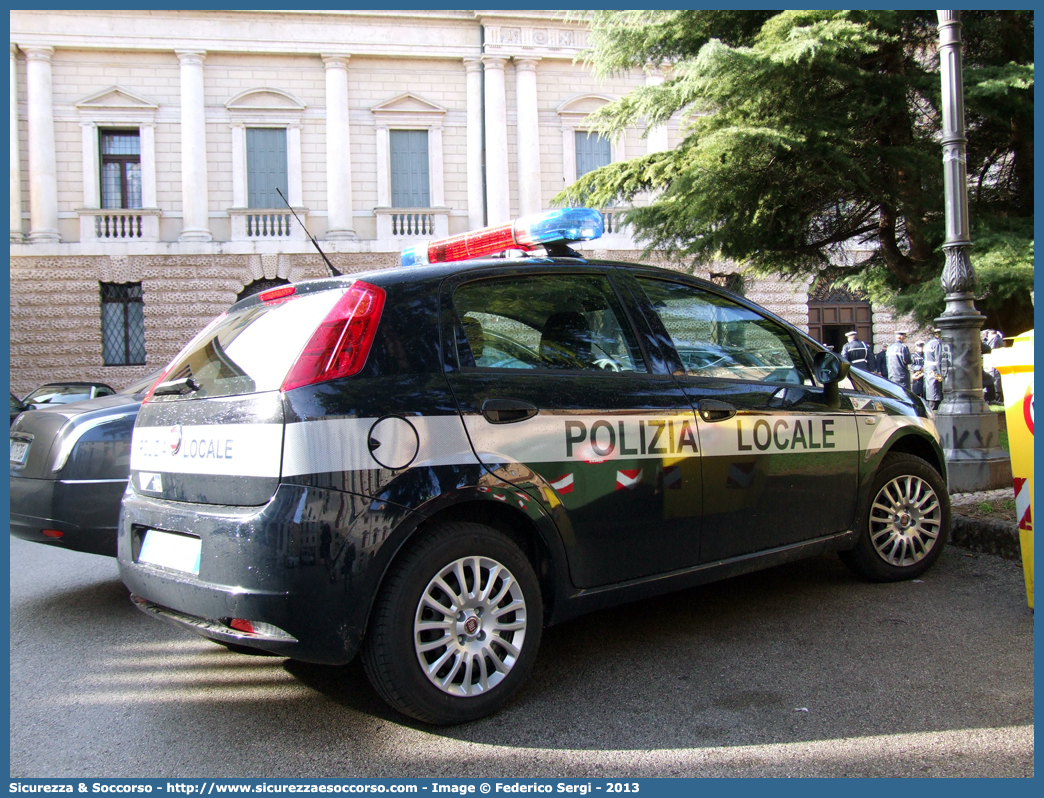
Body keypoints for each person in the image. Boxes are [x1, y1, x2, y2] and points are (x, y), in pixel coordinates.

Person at [923, 328, 943, 411]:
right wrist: (941, 373)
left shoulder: (928, 343)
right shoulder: (937, 343)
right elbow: (938, 360)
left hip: (928, 368)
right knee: (935, 389)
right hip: (935, 368)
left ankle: (930, 407)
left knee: (930, 387)